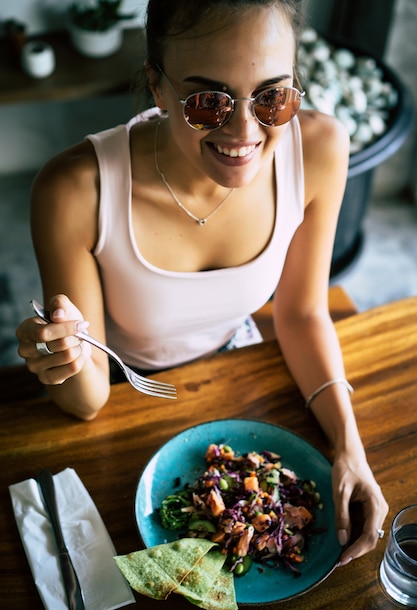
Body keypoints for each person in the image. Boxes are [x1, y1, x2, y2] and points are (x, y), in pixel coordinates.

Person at [16, 0, 388, 566]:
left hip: (233, 371)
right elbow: (86, 403)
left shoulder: (319, 148)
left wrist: (350, 449)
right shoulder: (75, 190)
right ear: (156, 87)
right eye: (208, 101)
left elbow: (302, 313)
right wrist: (62, 356)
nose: (244, 132)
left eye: (272, 96)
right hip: (124, 391)